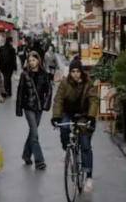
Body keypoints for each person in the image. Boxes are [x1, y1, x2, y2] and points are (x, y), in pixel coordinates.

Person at [51, 59, 99, 193]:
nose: (75, 74)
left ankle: (88, 176)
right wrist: (56, 116)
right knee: (64, 128)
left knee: (85, 145)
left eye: (78, 71)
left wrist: (91, 116)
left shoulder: (88, 83)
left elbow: (94, 100)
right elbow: (58, 100)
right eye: (73, 71)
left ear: (81, 71)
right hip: (68, 112)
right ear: (70, 72)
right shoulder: (64, 83)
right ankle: (68, 150)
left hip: (84, 114)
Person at [15, 51, 52, 170]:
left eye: (34, 60)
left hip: (39, 107)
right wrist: (19, 109)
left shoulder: (44, 74)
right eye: (30, 60)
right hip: (28, 107)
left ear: (38, 60)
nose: (32, 63)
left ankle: (26, 155)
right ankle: (39, 161)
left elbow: (49, 91)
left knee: (32, 132)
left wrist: (46, 104)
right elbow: (20, 92)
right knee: (35, 134)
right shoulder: (24, 74)